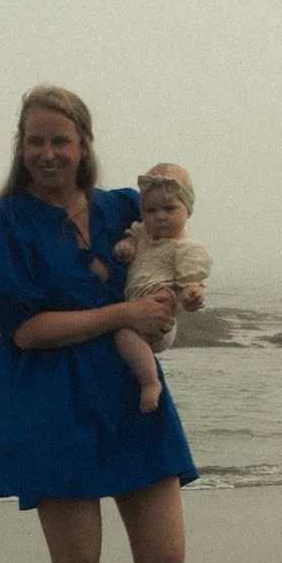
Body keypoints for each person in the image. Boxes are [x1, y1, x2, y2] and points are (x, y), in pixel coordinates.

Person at [0, 86, 203, 563]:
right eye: (35, 141)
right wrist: (123, 315)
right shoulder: (1, 224)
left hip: (130, 396)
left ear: (84, 146)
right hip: (46, 400)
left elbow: (175, 226)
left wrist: (180, 289)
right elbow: (26, 330)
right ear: (21, 146)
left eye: (60, 141)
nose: (47, 153)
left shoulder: (121, 208)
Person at [109, 163, 212, 414]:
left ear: (187, 210)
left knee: (124, 335)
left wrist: (192, 296)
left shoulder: (186, 249)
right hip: (136, 306)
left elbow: (192, 280)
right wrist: (126, 246)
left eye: (170, 209)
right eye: (151, 210)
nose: (160, 216)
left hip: (161, 317)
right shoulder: (141, 234)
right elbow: (130, 239)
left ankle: (150, 382)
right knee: (123, 334)